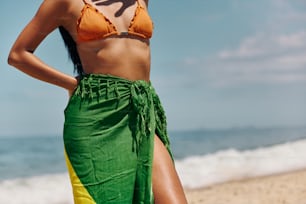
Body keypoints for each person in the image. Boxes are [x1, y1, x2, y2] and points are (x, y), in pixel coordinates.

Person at [8, 0, 188, 203]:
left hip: (140, 113)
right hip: (95, 116)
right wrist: (73, 85)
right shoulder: (64, 2)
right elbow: (18, 55)